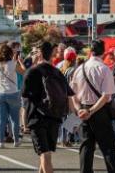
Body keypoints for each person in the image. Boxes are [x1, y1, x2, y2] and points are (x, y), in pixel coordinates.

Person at [22, 41, 76, 173]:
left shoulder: (32, 72)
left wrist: (24, 123)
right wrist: (74, 118)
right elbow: (69, 96)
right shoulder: (57, 72)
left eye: (34, 52)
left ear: (39, 54)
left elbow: (25, 99)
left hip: (37, 117)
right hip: (55, 116)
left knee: (44, 154)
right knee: (46, 154)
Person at [70, 39, 115, 173]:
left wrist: (79, 109)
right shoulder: (104, 69)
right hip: (99, 111)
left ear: (90, 51)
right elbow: (106, 96)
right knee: (108, 147)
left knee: (86, 146)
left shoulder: (79, 69)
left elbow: (72, 94)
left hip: (83, 109)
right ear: (103, 52)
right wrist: (91, 111)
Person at [0, 41, 27, 148]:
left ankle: (1, 142)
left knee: (1, 119)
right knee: (14, 119)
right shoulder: (13, 64)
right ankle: (16, 140)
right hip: (12, 92)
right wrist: (20, 61)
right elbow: (24, 72)